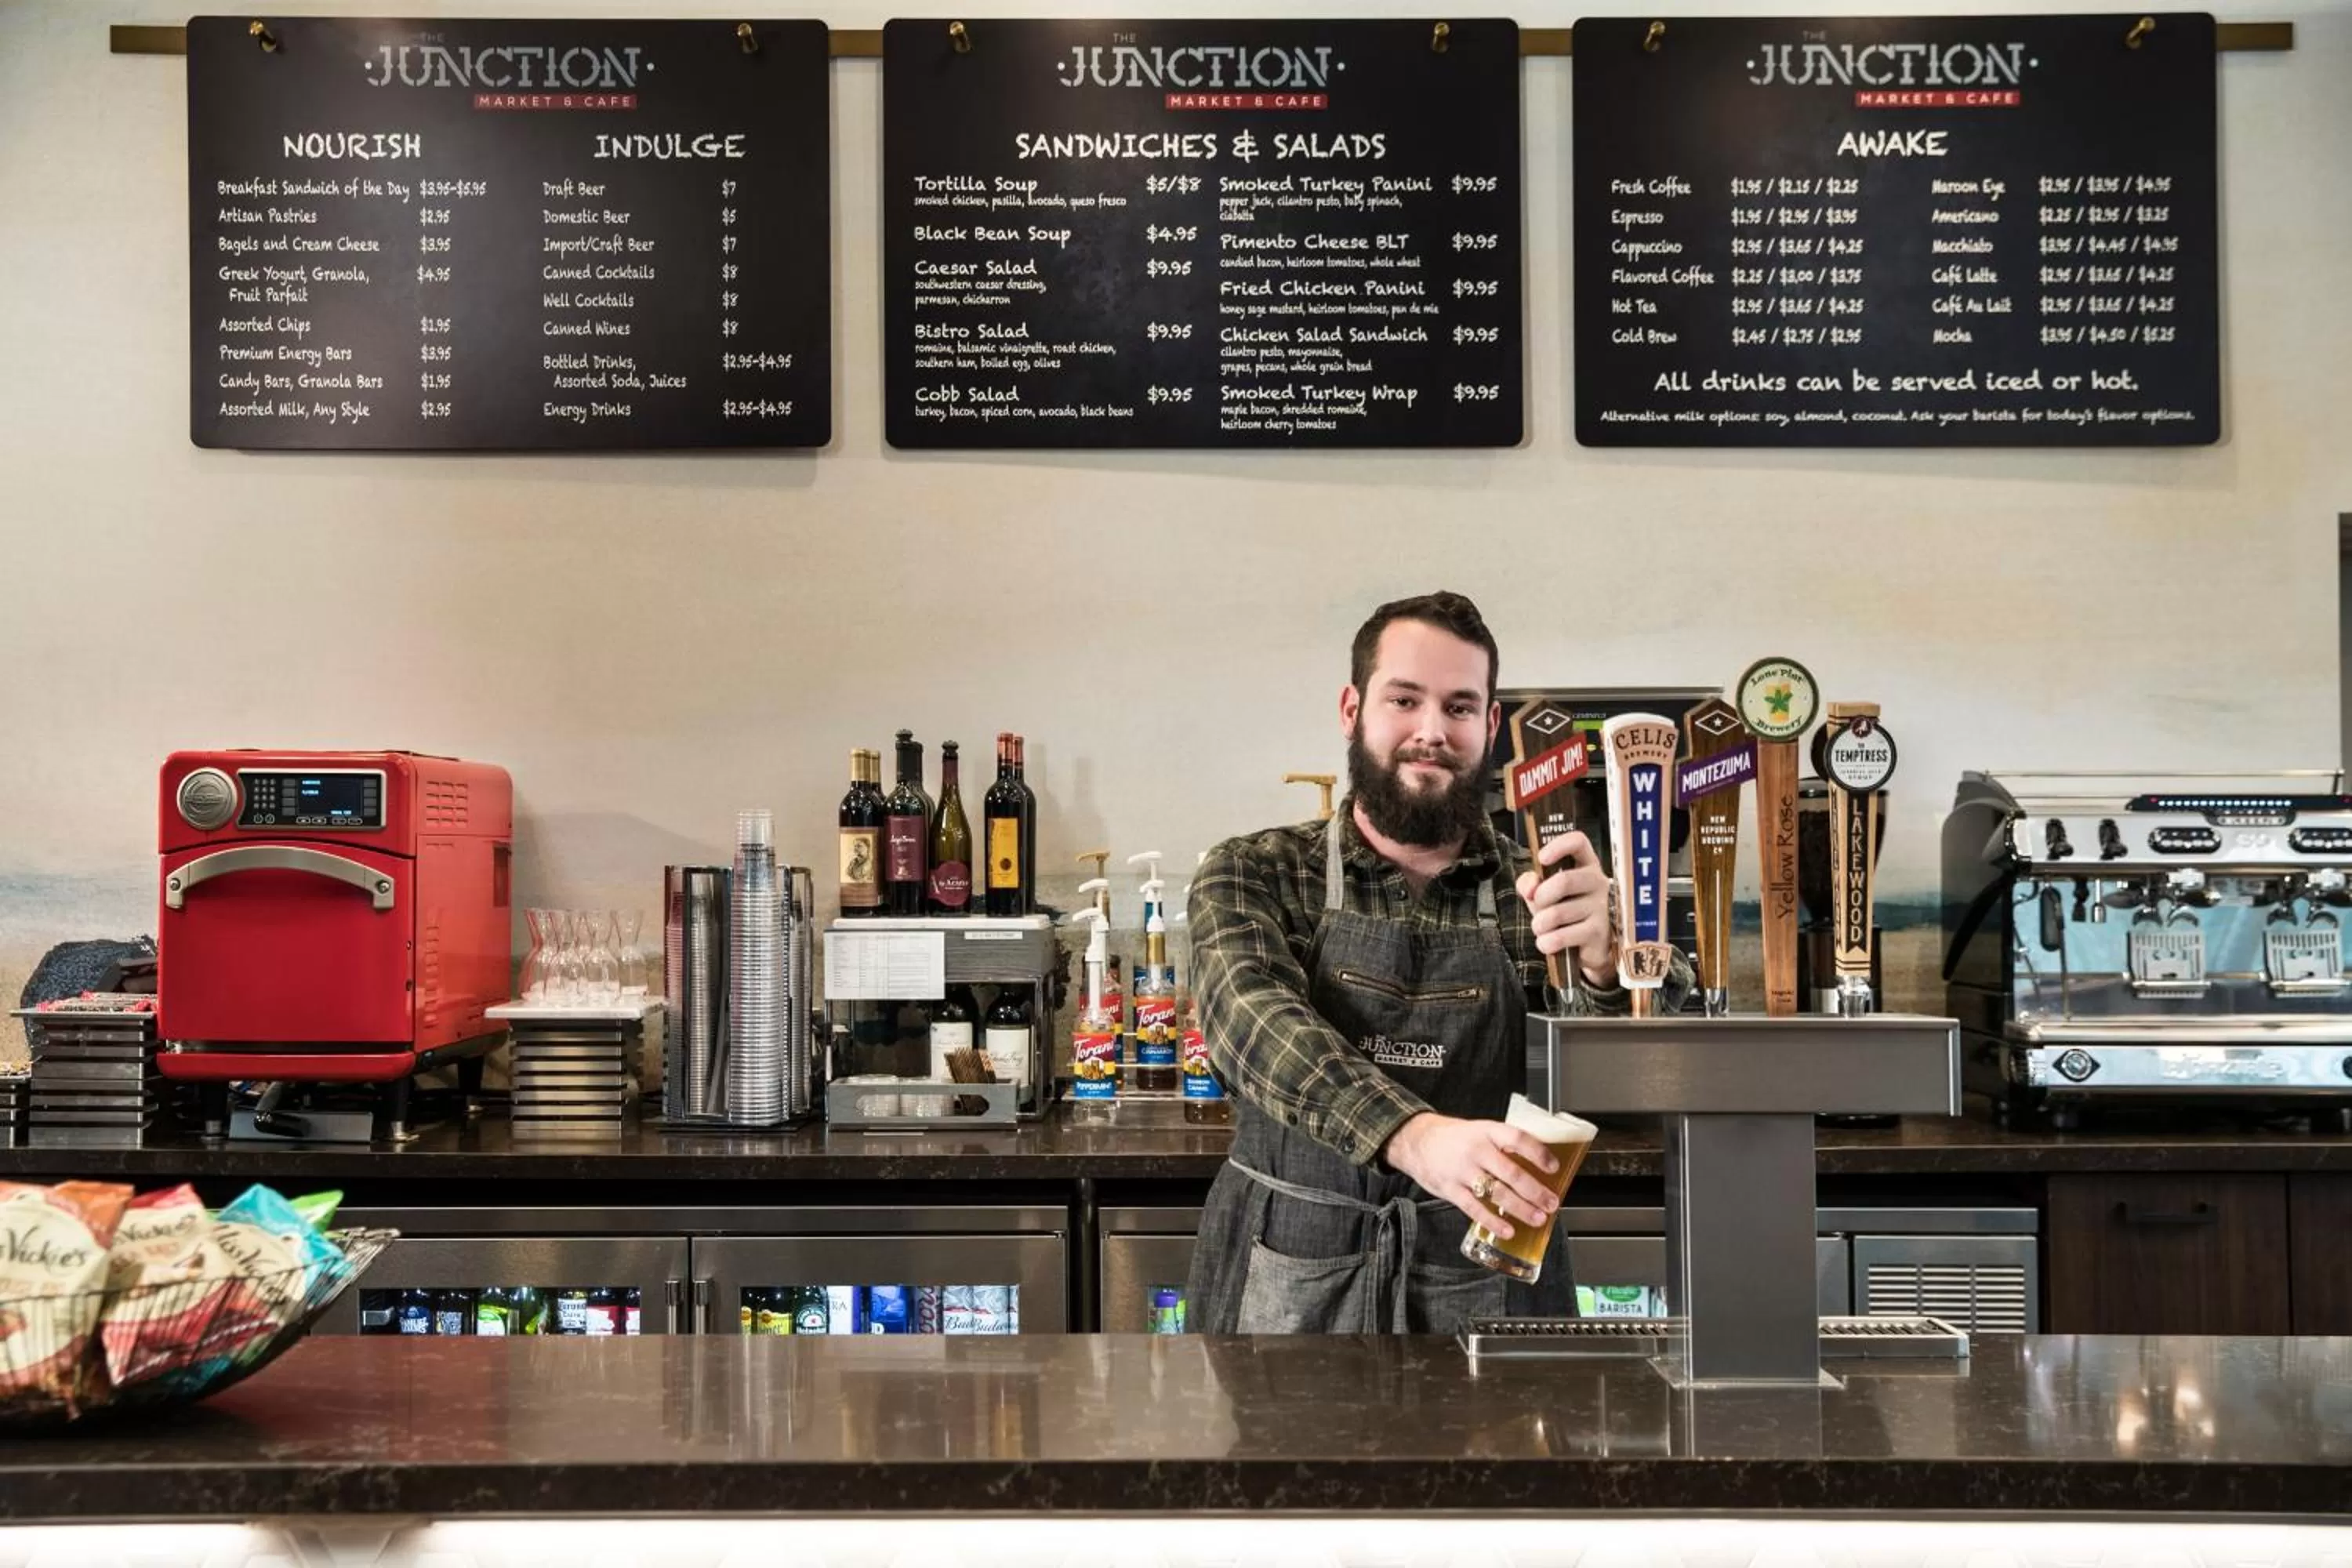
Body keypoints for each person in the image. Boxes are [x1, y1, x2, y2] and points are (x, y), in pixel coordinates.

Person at [1185, 591, 1692, 1334]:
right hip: (1286, 1277)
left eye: (1459, 707)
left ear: (1490, 725)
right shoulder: (1256, 872)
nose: (1431, 732)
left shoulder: (1543, 893)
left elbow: (1643, 1084)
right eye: (1404, 700)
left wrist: (1610, 972)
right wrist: (1417, 1137)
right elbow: (1253, 1023)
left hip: (1492, 1282)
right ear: (1352, 709)